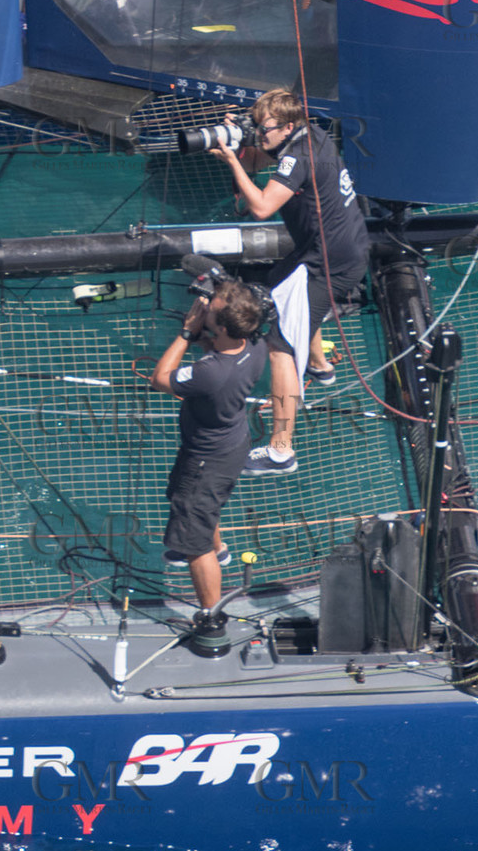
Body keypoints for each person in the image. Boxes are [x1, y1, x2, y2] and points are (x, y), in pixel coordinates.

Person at [213, 88, 368, 476]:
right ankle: (320, 367)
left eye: (263, 129)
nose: (258, 134)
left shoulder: (300, 155)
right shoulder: (308, 133)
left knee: (280, 342)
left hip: (326, 264)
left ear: (288, 126)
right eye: (255, 126)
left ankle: (281, 451)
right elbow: (256, 162)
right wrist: (237, 144)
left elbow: (262, 207)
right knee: (282, 288)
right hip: (330, 251)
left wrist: (233, 160)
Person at [149, 281, 267, 612]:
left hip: (207, 461)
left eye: (210, 311)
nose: (204, 310)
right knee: (198, 506)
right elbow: (218, 351)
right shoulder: (253, 345)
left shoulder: (211, 372)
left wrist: (187, 332)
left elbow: (161, 378)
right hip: (230, 445)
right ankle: (219, 548)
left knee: (194, 544)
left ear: (223, 328)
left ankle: (211, 618)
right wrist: (209, 329)